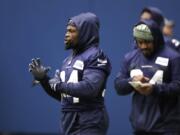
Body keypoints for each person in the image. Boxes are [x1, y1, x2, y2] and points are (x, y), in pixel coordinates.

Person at [29, 12, 111, 135]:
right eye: (67, 30)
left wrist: (59, 85)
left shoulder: (95, 56)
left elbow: (90, 88)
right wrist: (44, 80)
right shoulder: (67, 61)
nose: (66, 35)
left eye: (72, 31)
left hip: (89, 121)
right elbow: (65, 97)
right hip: (68, 122)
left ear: (84, 33)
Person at [114, 19, 180, 135]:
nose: (143, 46)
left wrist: (154, 89)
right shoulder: (130, 58)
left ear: (156, 39)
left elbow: (177, 86)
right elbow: (118, 86)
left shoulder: (173, 57)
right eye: (140, 42)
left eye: (148, 42)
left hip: (168, 127)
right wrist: (132, 81)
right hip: (140, 127)